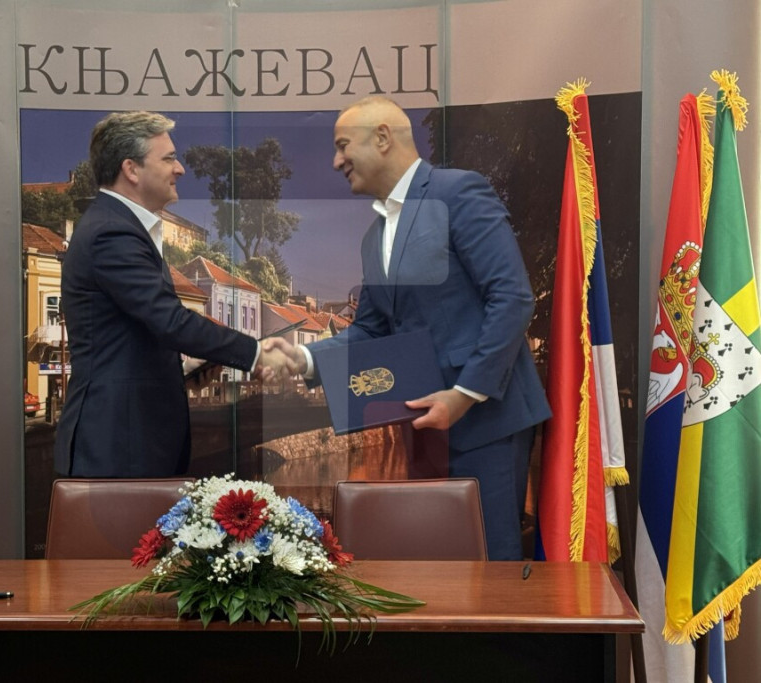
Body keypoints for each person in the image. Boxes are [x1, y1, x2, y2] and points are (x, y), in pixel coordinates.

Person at [265, 96, 550, 560]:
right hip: (422, 428)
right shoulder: (373, 238)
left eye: (342, 145)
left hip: (487, 422)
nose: (336, 161)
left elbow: (512, 297)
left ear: (382, 138)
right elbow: (370, 330)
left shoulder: (458, 192)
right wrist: (304, 357)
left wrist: (464, 395)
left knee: (491, 566)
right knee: (440, 567)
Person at [54, 111, 292, 479]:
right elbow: (170, 321)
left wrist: (179, 371)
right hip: (117, 447)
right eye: (168, 158)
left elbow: (130, 337)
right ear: (131, 169)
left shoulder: (116, 226)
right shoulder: (111, 233)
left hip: (125, 443)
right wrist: (255, 353)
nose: (179, 169)